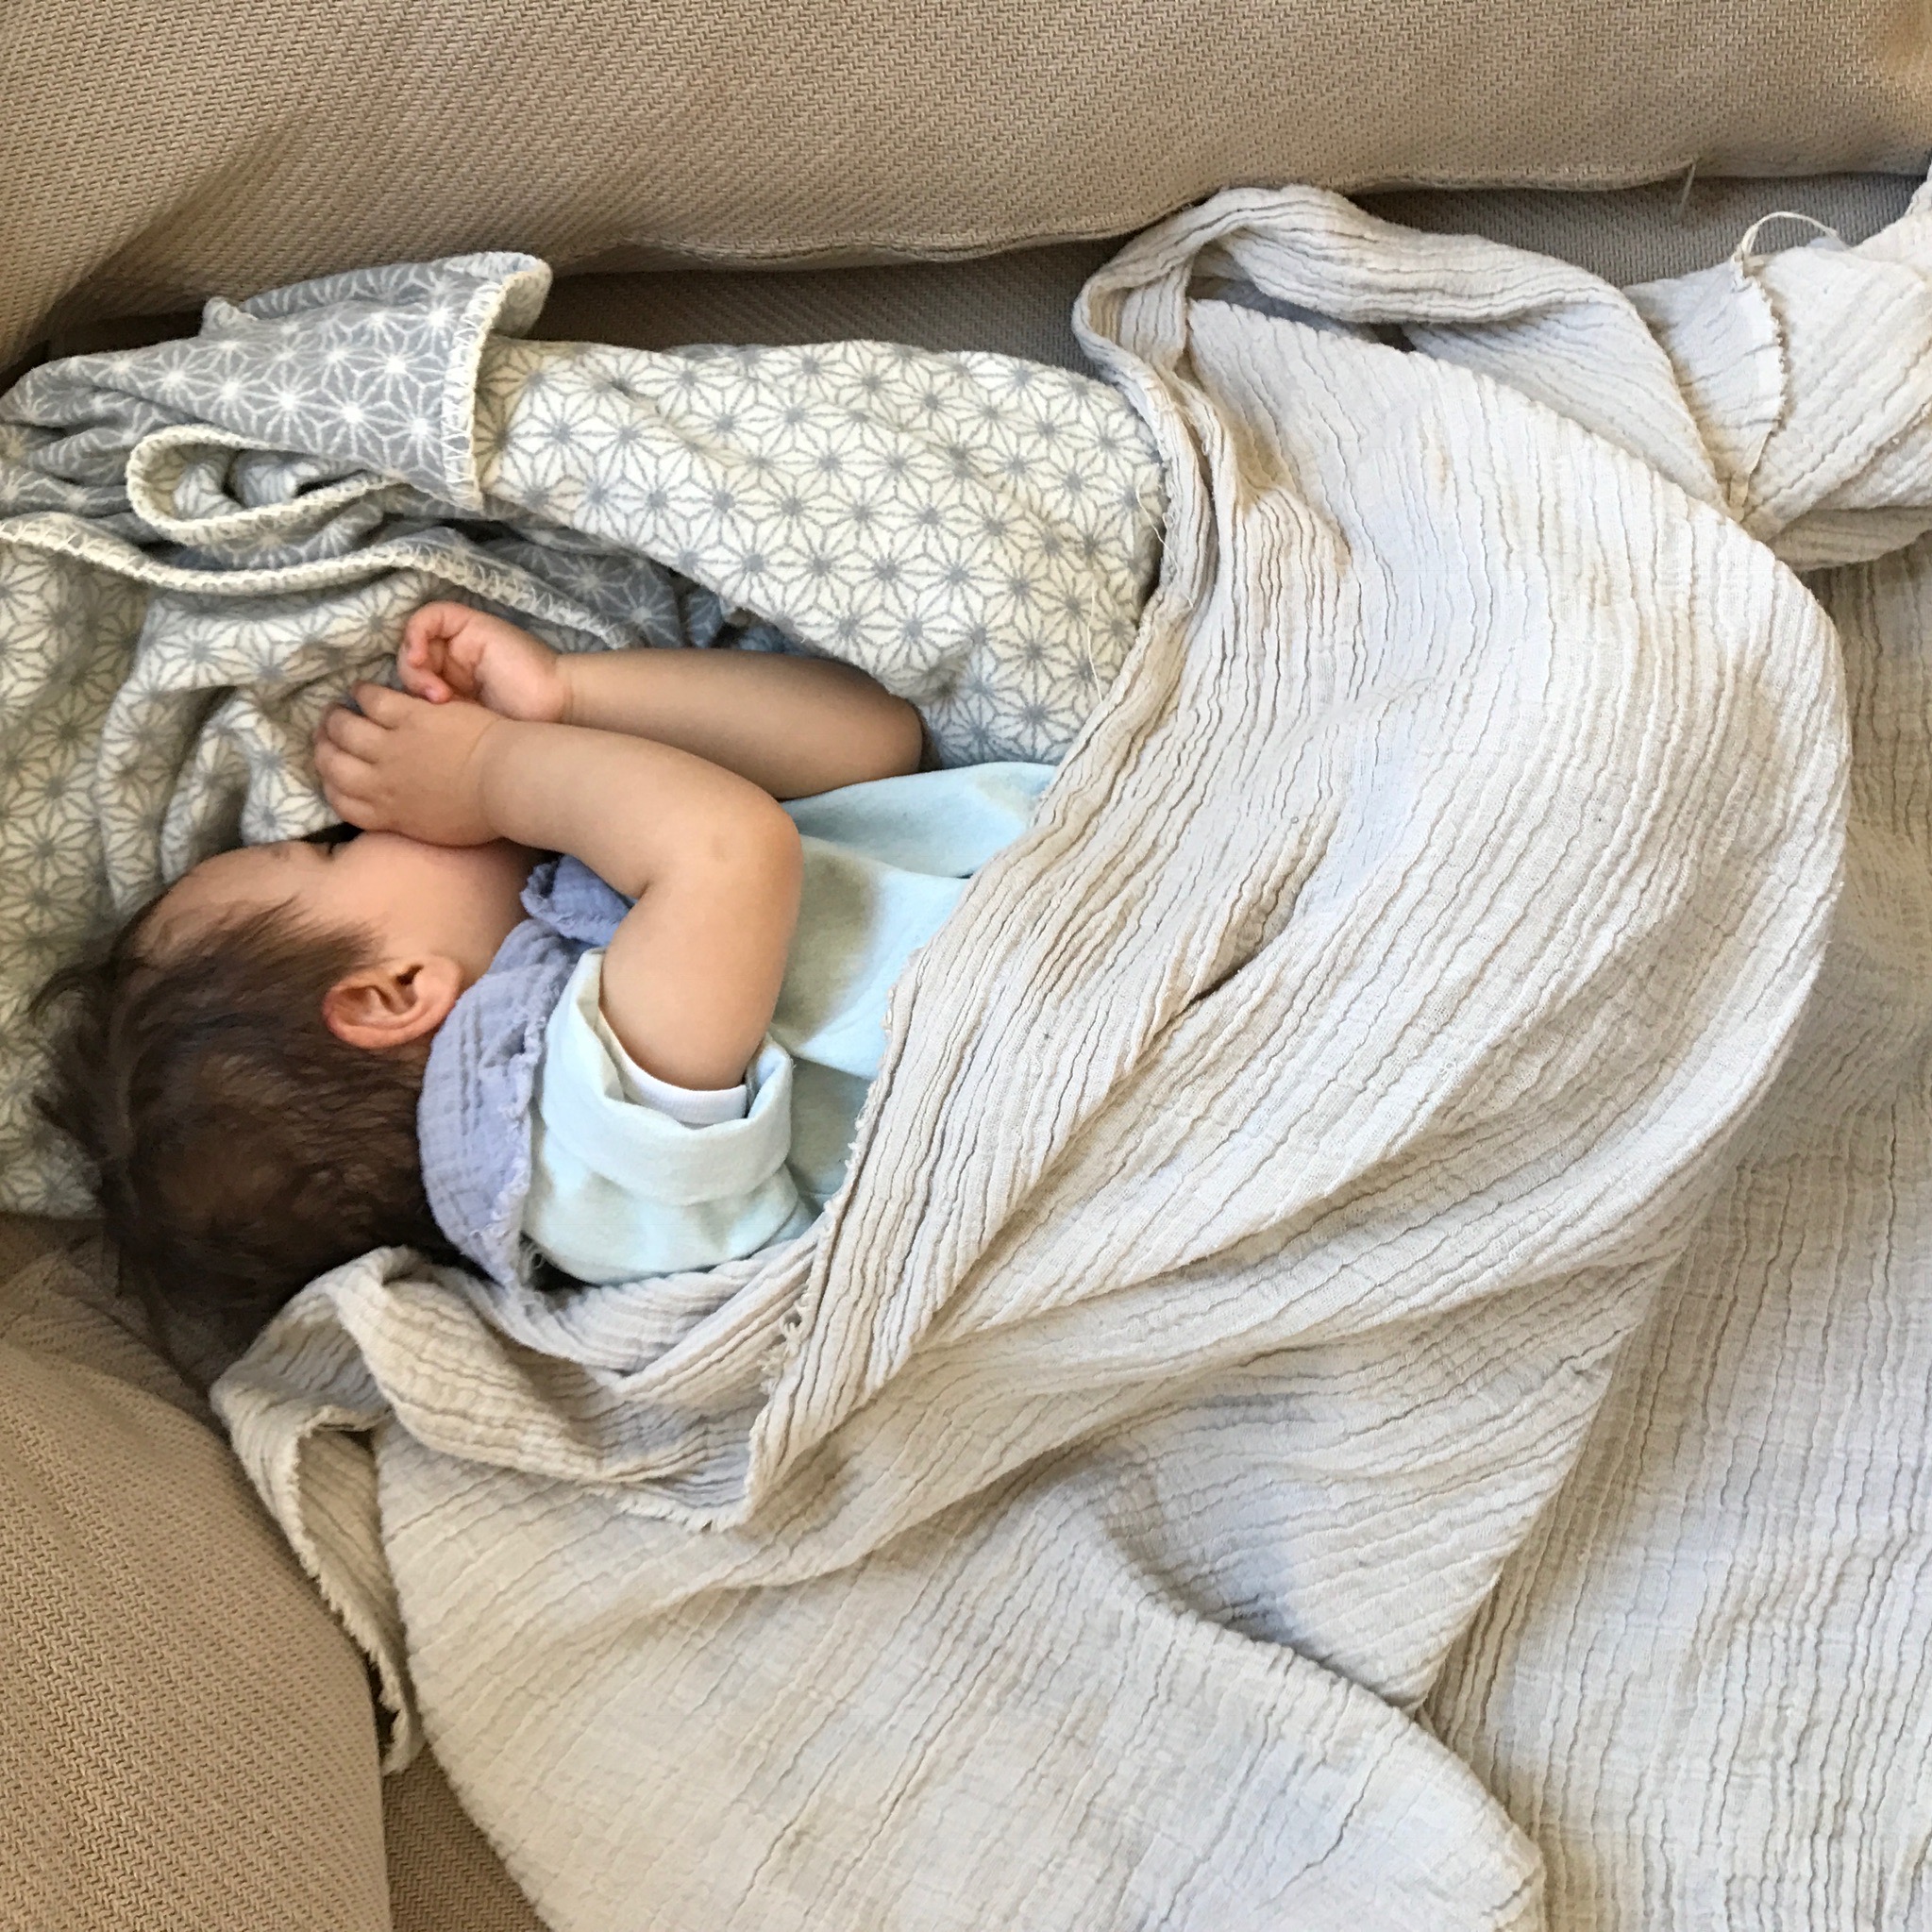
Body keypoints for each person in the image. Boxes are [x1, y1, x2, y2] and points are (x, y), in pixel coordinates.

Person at [38, 600, 1051, 1359]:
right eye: (335, 849)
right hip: (1061, 1021)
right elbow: (729, 848)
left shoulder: (588, 905)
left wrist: (568, 699)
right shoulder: (576, 1140)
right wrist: (490, 769)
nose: (365, 821)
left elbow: (872, 737)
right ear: (392, 993)